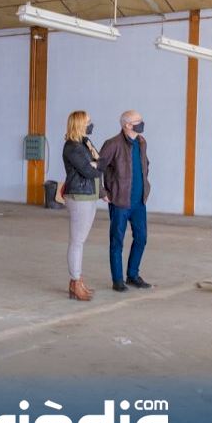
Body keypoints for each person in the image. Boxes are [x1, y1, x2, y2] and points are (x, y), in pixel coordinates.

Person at [98, 110, 152, 292]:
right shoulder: (112, 144)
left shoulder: (141, 142)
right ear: (127, 125)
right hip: (120, 201)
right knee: (117, 241)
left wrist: (146, 186)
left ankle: (133, 275)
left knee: (141, 238)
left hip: (139, 202)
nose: (141, 123)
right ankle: (118, 280)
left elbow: (145, 164)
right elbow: (98, 168)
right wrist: (102, 191)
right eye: (138, 121)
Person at [61, 111, 102, 301]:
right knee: (77, 241)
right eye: (88, 122)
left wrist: (96, 164)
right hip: (79, 195)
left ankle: (77, 281)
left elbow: (99, 163)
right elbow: (89, 171)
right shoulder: (72, 147)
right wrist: (95, 165)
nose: (91, 124)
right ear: (79, 124)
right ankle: (75, 281)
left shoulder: (84, 143)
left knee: (80, 241)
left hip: (89, 194)